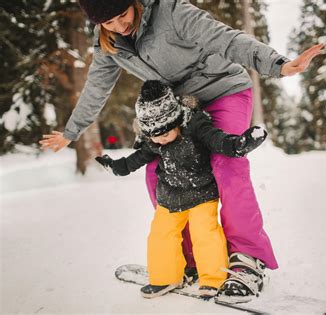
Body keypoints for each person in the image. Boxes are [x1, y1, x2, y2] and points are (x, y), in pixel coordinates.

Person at [39, 0, 324, 302]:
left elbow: (225, 38)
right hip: (177, 109)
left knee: (227, 164)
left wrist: (277, 64)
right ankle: (191, 258)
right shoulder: (110, 43)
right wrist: (71, 132)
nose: (119, 26)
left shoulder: (171, 12)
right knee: (157, 174)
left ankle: (247, 258)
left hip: (222, 90)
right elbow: (96, 88)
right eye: (108, 22)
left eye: (123, 14)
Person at [96, 80, 268, 298]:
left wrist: (238, 145)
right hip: (169, 198)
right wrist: (118, 167)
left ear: (175, 119)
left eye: (165, 132)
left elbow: (216, 140)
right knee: (160, 235)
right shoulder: (155, 139)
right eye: (154, 135)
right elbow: (138, 158)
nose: (160, 139)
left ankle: (212, 279)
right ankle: (165, 278)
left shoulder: (195, 125)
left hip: (202, 195)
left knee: (205, 234)